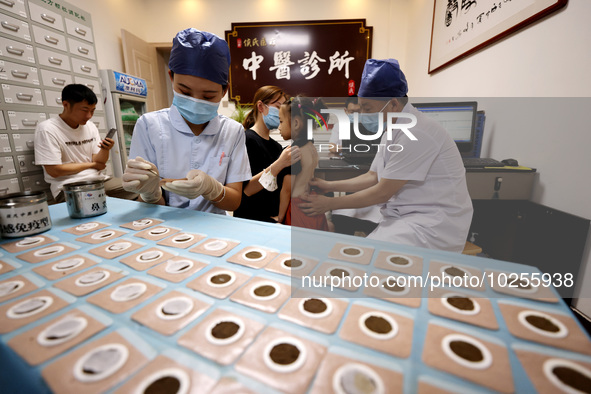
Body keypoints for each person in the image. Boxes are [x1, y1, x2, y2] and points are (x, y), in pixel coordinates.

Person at [300, 59, 473, 253]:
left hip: (431, 224)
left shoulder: (416, 132)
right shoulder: (393, 128)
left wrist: (329, 203)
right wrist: (329, 186)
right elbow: (372, 176)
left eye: (367, 109)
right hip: (405, 213)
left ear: (392, 104)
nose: (362, 115)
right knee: (346, 220)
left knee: (369, 257)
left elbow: (382, 191)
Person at [121, 28, 251, 214]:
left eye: (208, 96)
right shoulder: (149, 126)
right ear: (171, 77)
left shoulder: (232, 131)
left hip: (214, 229)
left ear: (224, 91)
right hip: (164, 226)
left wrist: (212, 189)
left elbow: (233, 202)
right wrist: (151, 194)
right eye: (185, 92)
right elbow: (148, 207)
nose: (196, 102)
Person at [34, 84, 115, 202]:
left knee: (138, 187)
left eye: (92, 111)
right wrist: (92, 165)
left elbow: (99, 162)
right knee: (104, 203)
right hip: (68, 186)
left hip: (98, 180)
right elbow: (54, 171)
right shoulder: (47, 129)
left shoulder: (90, 126)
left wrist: (105, 149)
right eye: (84, 110)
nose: (89, 116)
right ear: (65, 105)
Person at [233, 86, 300, 222]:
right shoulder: (246, 140)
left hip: (272, 219)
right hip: (250, 219)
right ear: (261, 106)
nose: (281, 112)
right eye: (277, 106)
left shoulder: (276, 147)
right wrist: (279, 164)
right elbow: (246, 190)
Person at [278, 96, 329, 231]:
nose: (278, 127)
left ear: (295, 123)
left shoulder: (294, 152)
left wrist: (279, 217)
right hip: (309, 203)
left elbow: (287, 189)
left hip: (296, 209)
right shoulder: (310, 146)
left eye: (281, 121)